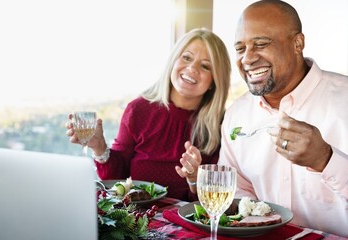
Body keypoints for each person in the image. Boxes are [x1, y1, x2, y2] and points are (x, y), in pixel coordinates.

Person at [217, 0, 348, 239]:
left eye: (261, 44)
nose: (247, 58)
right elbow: (238, 188)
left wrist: (326, 159)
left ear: (298, 43)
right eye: (240, 48)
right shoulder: (237, 113)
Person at [66, 28, 231, 201]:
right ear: (173, 62)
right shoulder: (138, 110)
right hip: (137, 220)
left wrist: (195, 179)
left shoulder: (221, 125)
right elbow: (116, 182)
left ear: (215, 81)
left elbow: (214, 204)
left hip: (186, 224)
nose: (192, 68)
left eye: (205, 66)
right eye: (187, 57)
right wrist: (99, 147)